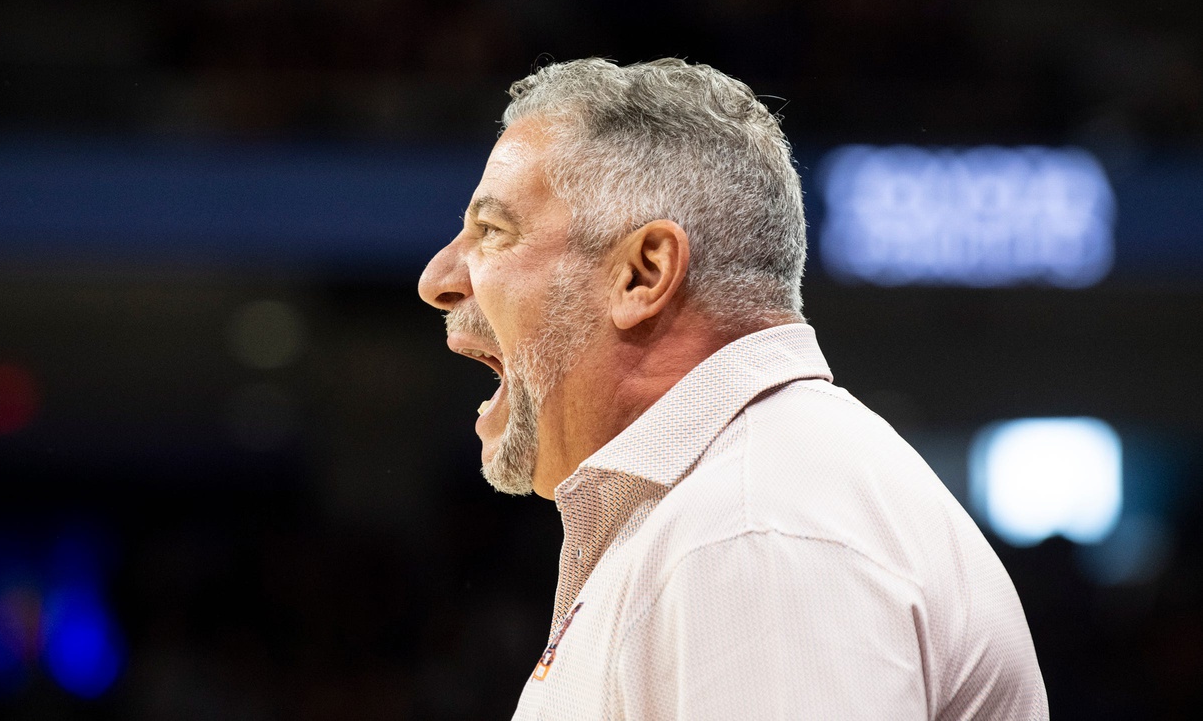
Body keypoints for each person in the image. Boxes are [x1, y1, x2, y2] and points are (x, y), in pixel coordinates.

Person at [418, 58, 1048, 719]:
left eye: (492, 232)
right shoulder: (739, 497)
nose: (438, 278)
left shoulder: (750, 529)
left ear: (643, 272)